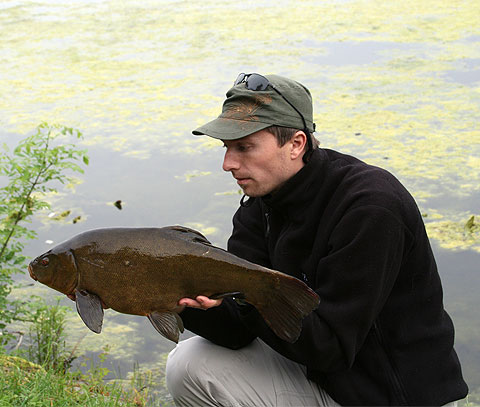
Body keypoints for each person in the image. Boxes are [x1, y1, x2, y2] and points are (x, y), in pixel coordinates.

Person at [165, 73, 468, 406]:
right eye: (227, 148)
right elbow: (237, 333)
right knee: (188, 364)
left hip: (392, 396)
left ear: (296, 144)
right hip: (325, 379)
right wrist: (186, 299)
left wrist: (251, 294)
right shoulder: (260, 208)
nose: (228, 164)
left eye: (244, 147)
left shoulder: (370, 206)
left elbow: (331, 347)